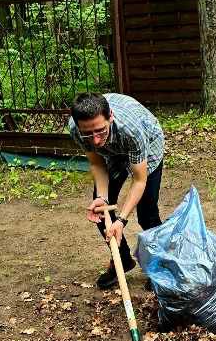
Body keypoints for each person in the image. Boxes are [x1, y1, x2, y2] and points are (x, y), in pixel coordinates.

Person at [68, 92, 165, 289]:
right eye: (88, 133)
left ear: (110, 116)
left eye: (100, 131)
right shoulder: (76, 128)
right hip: (111, 154)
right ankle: (122, 260)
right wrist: (103, 198)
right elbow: (97, 163)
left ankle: (160, 267)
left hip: (148, 142)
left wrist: (121, 219)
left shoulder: (132, 129)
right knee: (99, 211)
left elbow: (139, 180)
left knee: (147, 214)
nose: (95, 140)